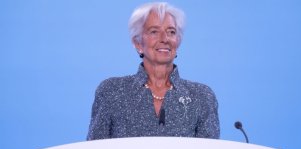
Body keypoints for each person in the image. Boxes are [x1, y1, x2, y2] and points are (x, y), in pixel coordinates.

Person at [87, 2, 220, 140]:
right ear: (138, 42)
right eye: (154, 31)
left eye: (171, 32)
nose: (164, 39)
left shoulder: (202, 97)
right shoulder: (111, 92)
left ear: (178, 42)